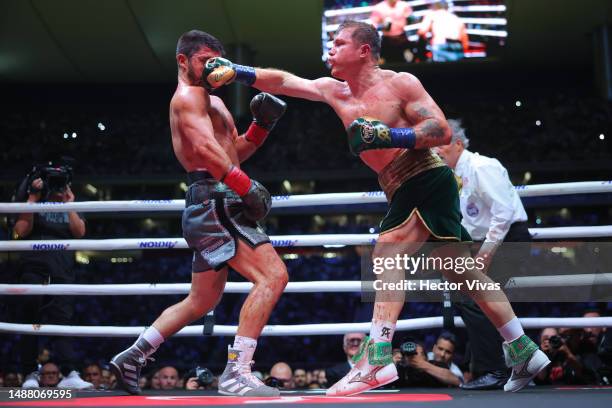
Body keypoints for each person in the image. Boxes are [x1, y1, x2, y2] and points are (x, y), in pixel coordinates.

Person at [203, 20, 549, 396]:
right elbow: (284, 82)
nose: (330, 50)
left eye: (339, 43)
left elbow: (441, 132)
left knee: (386, 251)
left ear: (364, 50)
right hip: (398, 184)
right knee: (462, 274)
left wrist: (391, 134)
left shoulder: (400, 83)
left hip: (423, 174)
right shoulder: (333, 90)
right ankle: (523, 349)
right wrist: (237, 71)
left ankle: (378, 357)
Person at [109, 29, 288, 397]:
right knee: (273, 276)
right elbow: (207, 152)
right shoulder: (187, 98)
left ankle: (134, 355)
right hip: (214, 199)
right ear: (182, 61)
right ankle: (238, 372)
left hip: (214, 198)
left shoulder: (214, 100)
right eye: (205, 61)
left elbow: (232, 153)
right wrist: (245, 187)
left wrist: (261, 126)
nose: (213, 68)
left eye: (217, 62)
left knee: (202, 300)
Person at [435, 119, 531, 389]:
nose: (435, 151)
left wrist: (484, 256)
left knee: (474, 300)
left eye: (439, 144)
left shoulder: (481, 166)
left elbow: (503, 214)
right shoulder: (450, 176)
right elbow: (466, 222)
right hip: (484, 244)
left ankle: (496, 371)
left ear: (457, 143)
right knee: (470, 299)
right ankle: (495, 367)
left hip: (509, 241)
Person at [12, 167, 92, 390]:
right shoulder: (31, 200)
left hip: (62, 268)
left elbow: (80, 232)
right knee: (30, 319)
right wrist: (32, 197)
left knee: (62, 320)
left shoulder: (70, 203)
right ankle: (29, 374)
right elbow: (20, 231)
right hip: (32, 266)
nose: (56, 187)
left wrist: (69, 203)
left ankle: (68, 373)